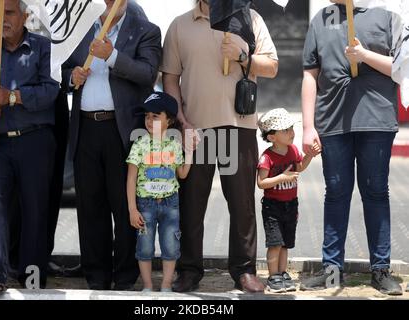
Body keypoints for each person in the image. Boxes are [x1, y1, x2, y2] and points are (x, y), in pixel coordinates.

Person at [161, 0, 278, 293]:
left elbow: (272, 66)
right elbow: (170, 78)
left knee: (241, 204)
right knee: (191, 202)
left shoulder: (250, 19)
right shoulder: (180, 25)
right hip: (194, 129)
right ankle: (189, 269)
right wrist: (181, 119)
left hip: (239, 126)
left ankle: (244, 270)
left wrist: (242, 55)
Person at [300, 0, 402, 295]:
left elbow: (401, 69)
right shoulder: (322, 18)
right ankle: (332, 269)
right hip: (332, 120)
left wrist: (364, 55)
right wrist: (308, 126)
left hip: (376, 118)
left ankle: (381, 270)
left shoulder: (386, 17)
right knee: (335, 194)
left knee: (376, 193)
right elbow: (310, 73)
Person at [62, 0, 162, 290]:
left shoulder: (146, 31)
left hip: (123, 130)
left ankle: (126, 275)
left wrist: (113, 55)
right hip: (85, 128)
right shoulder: (79, 31)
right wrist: (72, 77)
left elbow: (147, 73)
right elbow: (63, 68)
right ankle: (96, 275)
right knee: (90, 206)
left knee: (124, 204)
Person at [0, 0, 59, 291]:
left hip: (35, 141)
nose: (2, 18)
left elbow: (50, 92)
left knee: (35, 211)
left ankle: (32, 281)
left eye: (9, 13)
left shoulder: (43, 48)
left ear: (25, 16)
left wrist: (11, 98)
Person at [126, 92, 192, 292]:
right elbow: (131, 178)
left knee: (170, 246)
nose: (149, 120)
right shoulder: (139, 144)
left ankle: (165, 285)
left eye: (155, 116)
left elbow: (182, 173)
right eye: (147, 116)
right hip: (145, 204)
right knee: (144, 246)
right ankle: (147, 285)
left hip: (170, 204)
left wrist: (189, 153)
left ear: (169, 120)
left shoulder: (174, 145)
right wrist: (132, 209)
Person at [257, 108, 320, 293]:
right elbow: (261, 183)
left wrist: (309, 155)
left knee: (285, 243)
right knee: (274, 243)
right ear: (271, 137)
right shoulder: (267, 157)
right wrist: (281, 178)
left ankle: (282, 273)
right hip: (273, 207)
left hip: (291, 205)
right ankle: (273, 276)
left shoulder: (293, 150)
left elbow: (299, 167)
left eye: (291, 128)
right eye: (285, 130)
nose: (291, 133)